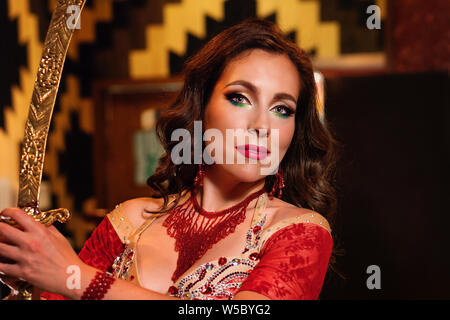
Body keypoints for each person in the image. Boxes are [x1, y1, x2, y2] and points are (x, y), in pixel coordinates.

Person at [0, 18, 338, 300]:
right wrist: (28, 276)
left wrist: (77, 278)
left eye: (282, 109)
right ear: (202, 106)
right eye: (239, 97)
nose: (262, 126)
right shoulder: (129, 221)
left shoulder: (299, 233)